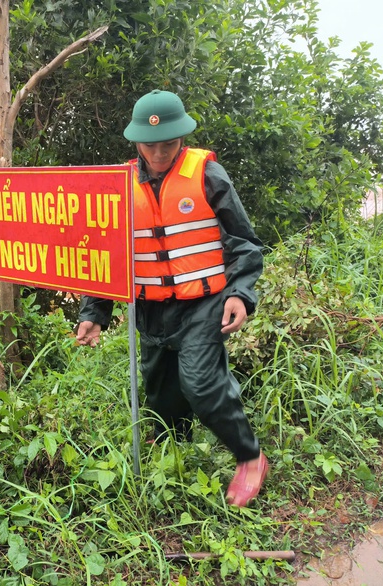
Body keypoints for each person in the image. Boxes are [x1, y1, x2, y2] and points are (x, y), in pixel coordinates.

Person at [76, 90, 268, 507]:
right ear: (136, 141)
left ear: (182, 137)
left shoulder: (207, 174)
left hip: (203, 302)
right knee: (160, 389)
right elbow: (106, 253)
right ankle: (173, 448)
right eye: (151, 144)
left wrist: (240, 293)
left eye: (169, 143)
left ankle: (250, 456)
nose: (160, 152)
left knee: (200, 382)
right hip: (150, 307)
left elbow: (243, 240)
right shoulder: (120, 185)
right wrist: (95, 312)